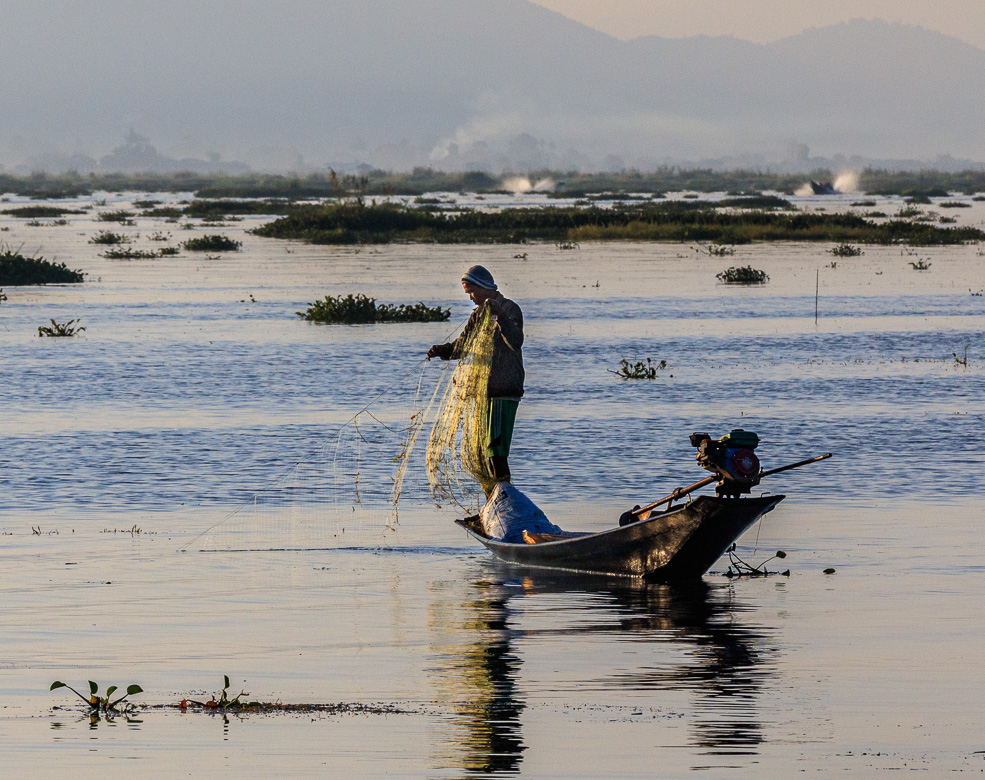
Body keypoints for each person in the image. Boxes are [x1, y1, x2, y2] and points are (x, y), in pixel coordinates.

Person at [427, 265, 524, 485]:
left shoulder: (509, 309)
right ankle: (494, 502)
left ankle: (505, 501)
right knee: (484, 455)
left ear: (484, 287)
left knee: (496, 453)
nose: (470, 297)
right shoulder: (478, 315)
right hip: (483, 394)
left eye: (472, 291)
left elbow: (515, 342)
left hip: (503, 391)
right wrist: (440, 350)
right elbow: (461, 348)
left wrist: (498, 314)